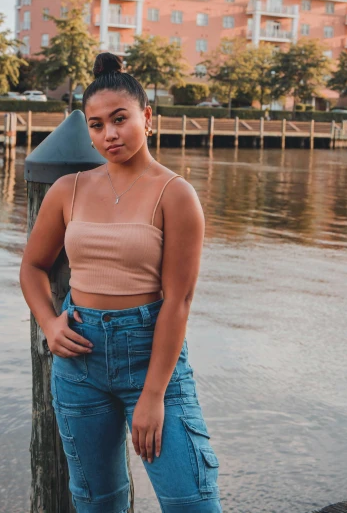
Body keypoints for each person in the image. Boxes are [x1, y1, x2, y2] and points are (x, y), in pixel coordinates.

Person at [20, 52, 222, 513]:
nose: (108, 134)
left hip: (151, 356)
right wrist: (50, 326)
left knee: (192, 501)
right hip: (79, 362)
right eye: (96, 125)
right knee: (97, 503)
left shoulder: (175, 194)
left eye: (119, 119)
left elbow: (178, 302)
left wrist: (152, 396)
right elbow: (32, 267)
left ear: (147, 117)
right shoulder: (68, 189)